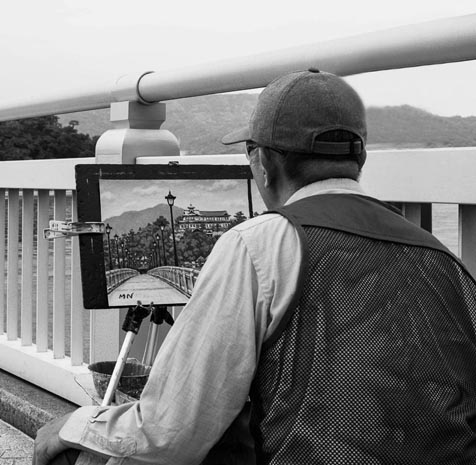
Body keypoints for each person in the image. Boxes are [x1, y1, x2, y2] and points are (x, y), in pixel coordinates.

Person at [34, 68, 476, 465]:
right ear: (358, 158)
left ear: (263, 162)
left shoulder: (257, 244)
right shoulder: (441, 258)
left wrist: (72, 426)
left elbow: (170, 432)